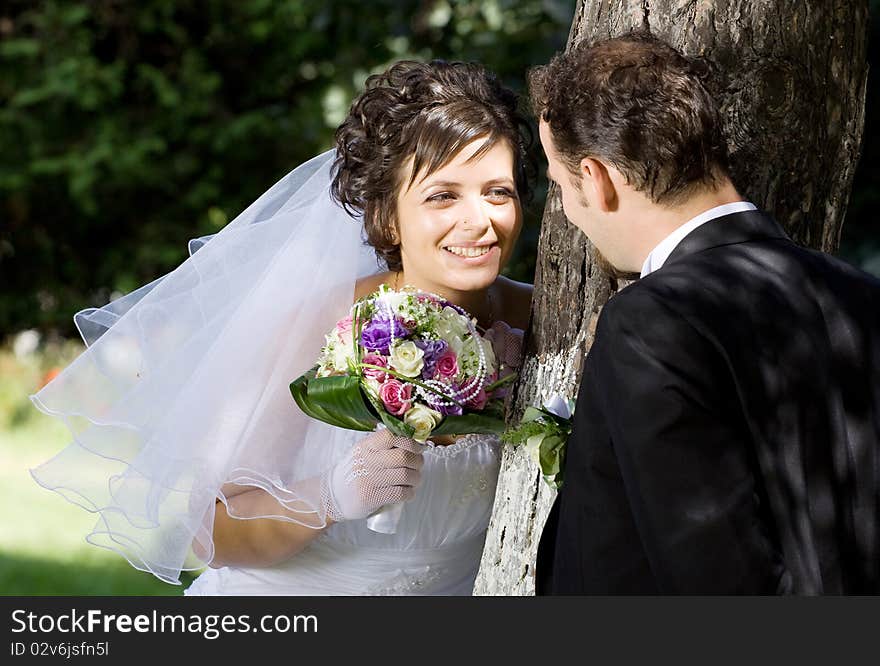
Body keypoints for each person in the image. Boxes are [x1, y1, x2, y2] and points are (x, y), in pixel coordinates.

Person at [30, 59, 533, 595]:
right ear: (387, 217)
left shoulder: (539, 323)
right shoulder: (318, 325)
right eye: (443, 195)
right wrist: (331, 497)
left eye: (497, 192)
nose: (479, 219)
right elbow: (211, 531)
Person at [531, 31, 880, 594]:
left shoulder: (651, 322)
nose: (569, 210)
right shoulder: (861, 294)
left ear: (596, 179)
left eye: (559, 185)